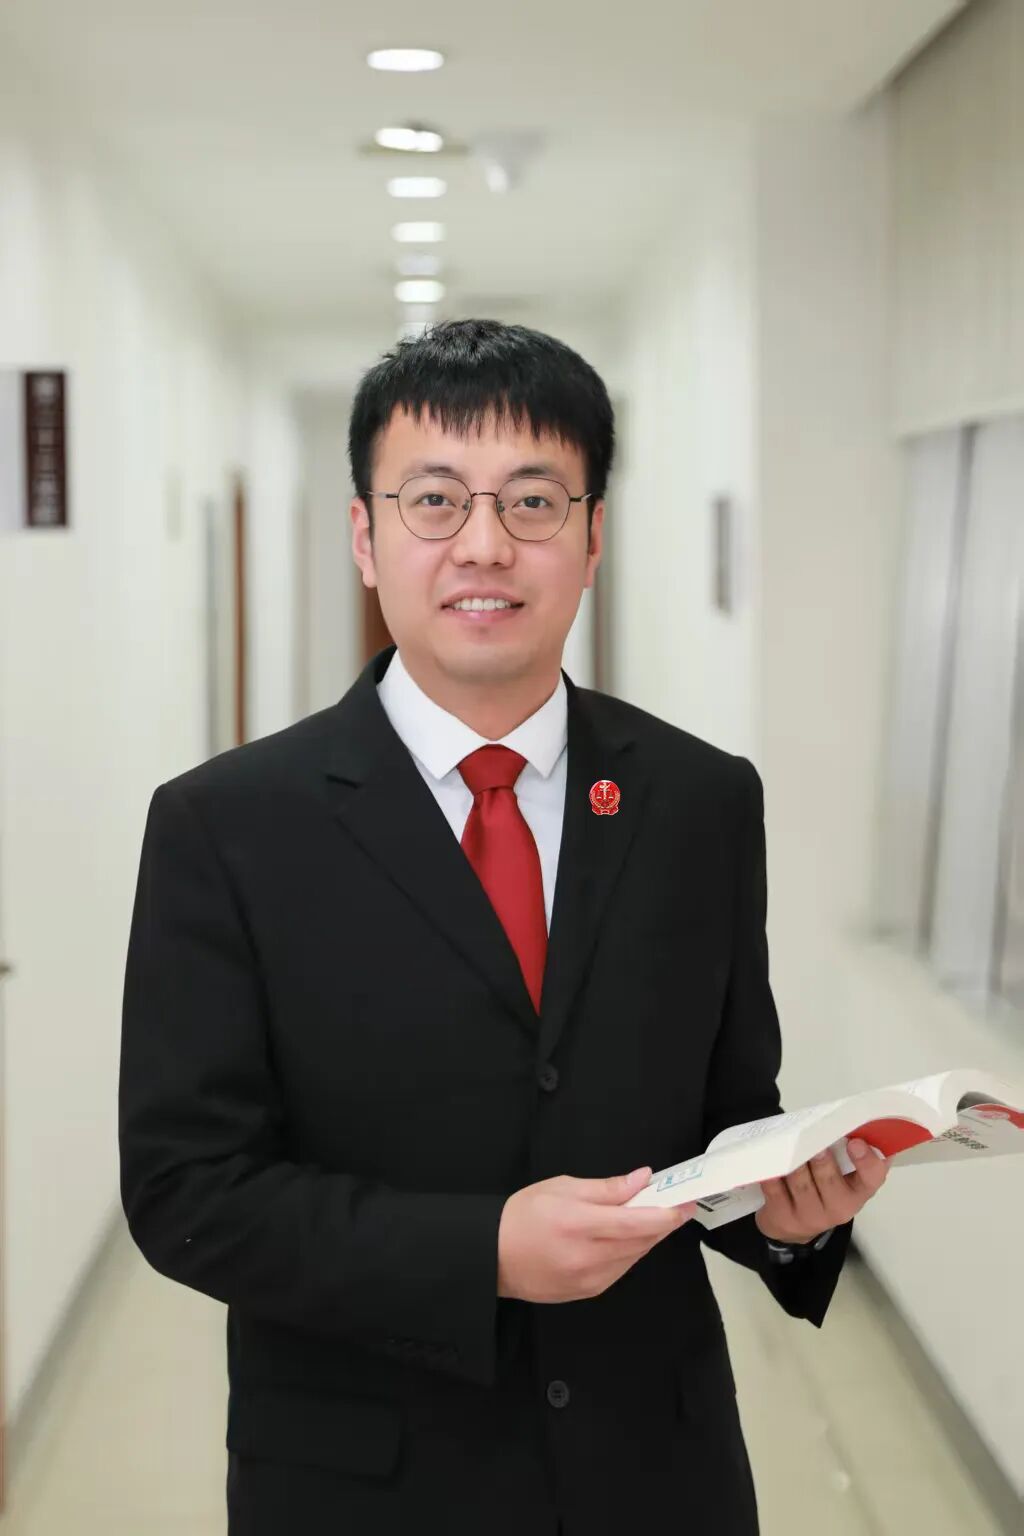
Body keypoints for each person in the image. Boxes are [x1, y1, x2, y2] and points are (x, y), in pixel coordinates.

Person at [118, 318, 889, 1535]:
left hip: (658, 1471)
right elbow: (187, 1191)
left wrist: (786, 1220)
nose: (484, 544)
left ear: (591, 539)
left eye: (533, 501)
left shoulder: (698, 801)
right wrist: (482, 1251)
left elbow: (727, 1112)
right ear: (366, 538)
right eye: (434, 500)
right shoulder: (227, 825)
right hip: (362, 1487)